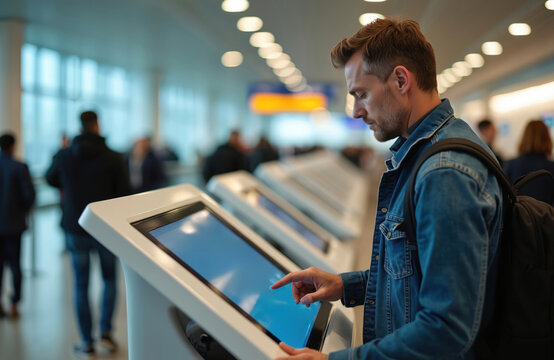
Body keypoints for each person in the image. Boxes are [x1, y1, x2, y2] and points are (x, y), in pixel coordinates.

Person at [271, 18, 503, 359]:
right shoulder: (431, 152)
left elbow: (447, 326)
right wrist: (345, 285)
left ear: (400, 79)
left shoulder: (444, 173)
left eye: (361, 94)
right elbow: (419, 277)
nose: (356, 111)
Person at [46, 111, 130, 358]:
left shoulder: (64, 155)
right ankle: (106, 334)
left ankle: (86, 341)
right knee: (109, 280)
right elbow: (124, 193)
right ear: (97, 125)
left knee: (81, 285)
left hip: (75, 228)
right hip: (105, 229)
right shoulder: (114, 157)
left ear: (80, 126)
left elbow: (51, 178)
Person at [0, 133, 35, 319]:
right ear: (13, 146)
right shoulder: (20, 167)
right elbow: (29, 196)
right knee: (15, 266)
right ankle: (14, 304)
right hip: (14, 226)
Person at [503, 119, 554, 205]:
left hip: (518, 216)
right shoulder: (551, 167)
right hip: (546, 216)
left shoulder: (510, 165)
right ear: (547, 138)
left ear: (524, 138)